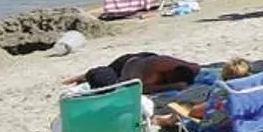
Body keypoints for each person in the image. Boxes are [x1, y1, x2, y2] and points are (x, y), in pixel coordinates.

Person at [67, 52, 199, 93]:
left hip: (142, 59)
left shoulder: (182, 68)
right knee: (103, 73)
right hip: (124, 64)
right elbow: (142, 88)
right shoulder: (155, 69)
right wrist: (171, 86)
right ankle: (78, 77)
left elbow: (196, 67)